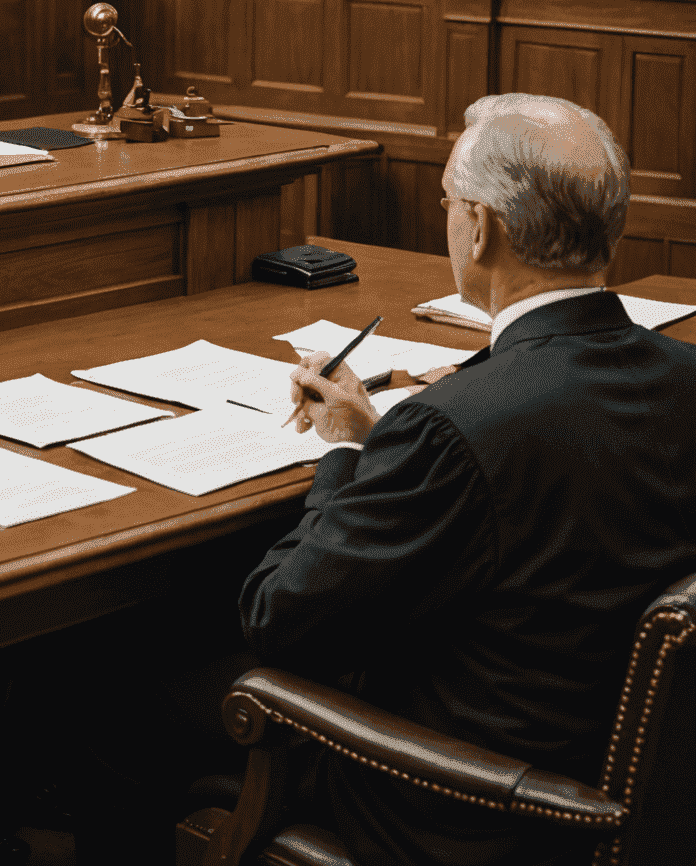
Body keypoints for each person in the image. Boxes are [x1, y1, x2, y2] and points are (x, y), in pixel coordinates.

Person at [229, 93, 696, 866]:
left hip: (468, 813)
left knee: (140, 691)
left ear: (480, 228)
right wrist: (385, 440)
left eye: (448, 201)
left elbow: (279, 619)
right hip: (639, 800)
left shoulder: (453, 426)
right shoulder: (683, 378)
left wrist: (346, 454)